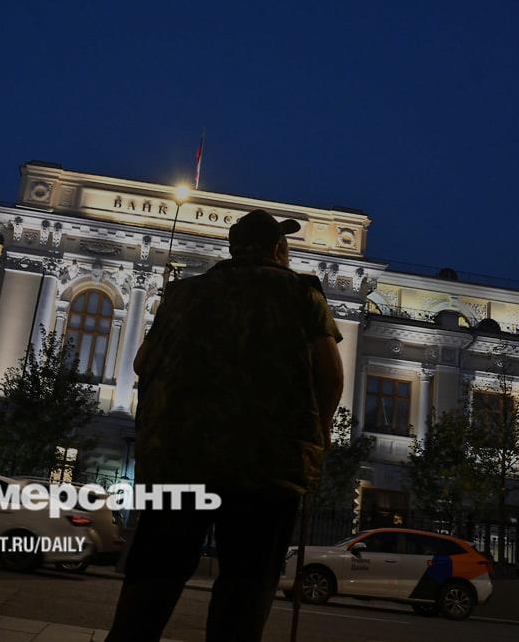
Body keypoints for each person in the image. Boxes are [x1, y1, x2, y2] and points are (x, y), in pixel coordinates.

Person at [107, 210, 344, 641]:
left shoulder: (184, 294)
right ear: (279, 250)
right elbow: (331, 376)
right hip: (267, 467)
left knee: (154, 575)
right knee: (246, 587)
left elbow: (143, 363)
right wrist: (319, 436)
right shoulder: (302, 294)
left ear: (235, 250)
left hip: (180, 458)